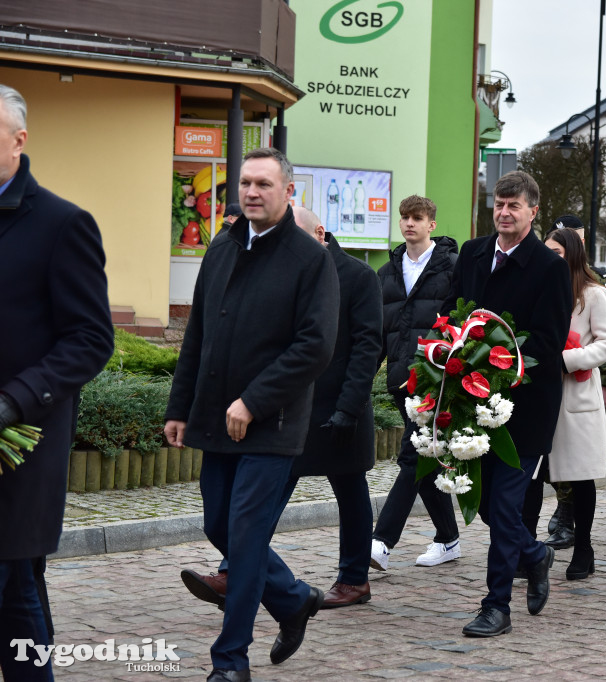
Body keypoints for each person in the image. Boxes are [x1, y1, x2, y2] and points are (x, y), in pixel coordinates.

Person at [165, 147, 340, 681]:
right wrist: (180, 407)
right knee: (219, 525)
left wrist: (254, 400)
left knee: (243, 540)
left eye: (264, 183)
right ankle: (291, 599)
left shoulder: (311, 261)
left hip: (272, 426)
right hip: (216, 421)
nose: (251, 192)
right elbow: (198, 335)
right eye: (245, 183)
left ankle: (230, 661)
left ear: (289, 192)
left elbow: (315, 347)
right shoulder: (220, 247)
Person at [180, 207, 383, 611]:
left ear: (320, 234)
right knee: (264, 496)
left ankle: (354, 578)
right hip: (291, 405)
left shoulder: (359, 277)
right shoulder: (283, 270)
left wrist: (348, 407)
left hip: (339, 407)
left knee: (350, 491)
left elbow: (367, 348)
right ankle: (233, 569)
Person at [0, 84, 114, 682]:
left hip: (18, 448)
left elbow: (91, 340)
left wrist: (12, 402)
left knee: (15, 588)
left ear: (19, 140)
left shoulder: (63, 224)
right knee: (19, 595)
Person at [442, 170, 572, 637]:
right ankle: (535, 556)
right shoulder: (474, 254)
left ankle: (496, 606)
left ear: (533, 212)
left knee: (503, 507)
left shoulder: (550, 268)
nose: (504, 212)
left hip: (525, 406)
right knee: (493, 507)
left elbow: (548, 341)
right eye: (498, 204)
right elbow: (452, 315)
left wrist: (495, 357)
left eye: (514, 205)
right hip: (471, 400)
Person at [371, 195, 462, 570]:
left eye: (417, 218)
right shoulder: (387, 272)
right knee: (423, 458)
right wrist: (362, 376)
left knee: (413, 455)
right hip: (399, 380)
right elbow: (378, 330)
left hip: (435, 381)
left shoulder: (451, 268)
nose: (409, 224)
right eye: (405, 217)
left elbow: (463, 322)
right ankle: (449, 538)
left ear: (432, 225)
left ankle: (380, 542)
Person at [531, 227, 606, 579]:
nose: (551, 257)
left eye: (558, 251)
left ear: (573, 254)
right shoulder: (537, 289)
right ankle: (528, 551)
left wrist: (569, 359)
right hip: (538, 394)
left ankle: (584, 548)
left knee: (581, 479)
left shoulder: (593, 294)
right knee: (531, 478)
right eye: (547, 250)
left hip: (575, 396)